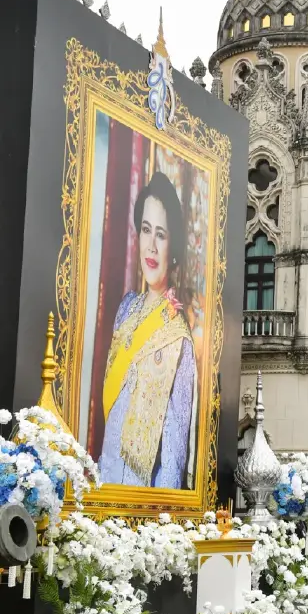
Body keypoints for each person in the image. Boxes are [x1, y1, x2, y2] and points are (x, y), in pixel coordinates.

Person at [98, 172, 197, 489]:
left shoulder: (178, 338)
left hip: (142, 495)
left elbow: (175, 446)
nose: (151, 246)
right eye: (145, 230)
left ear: (175, 247)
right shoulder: (126, 308)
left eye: (161, 235)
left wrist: (158, 519)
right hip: (106, 480)